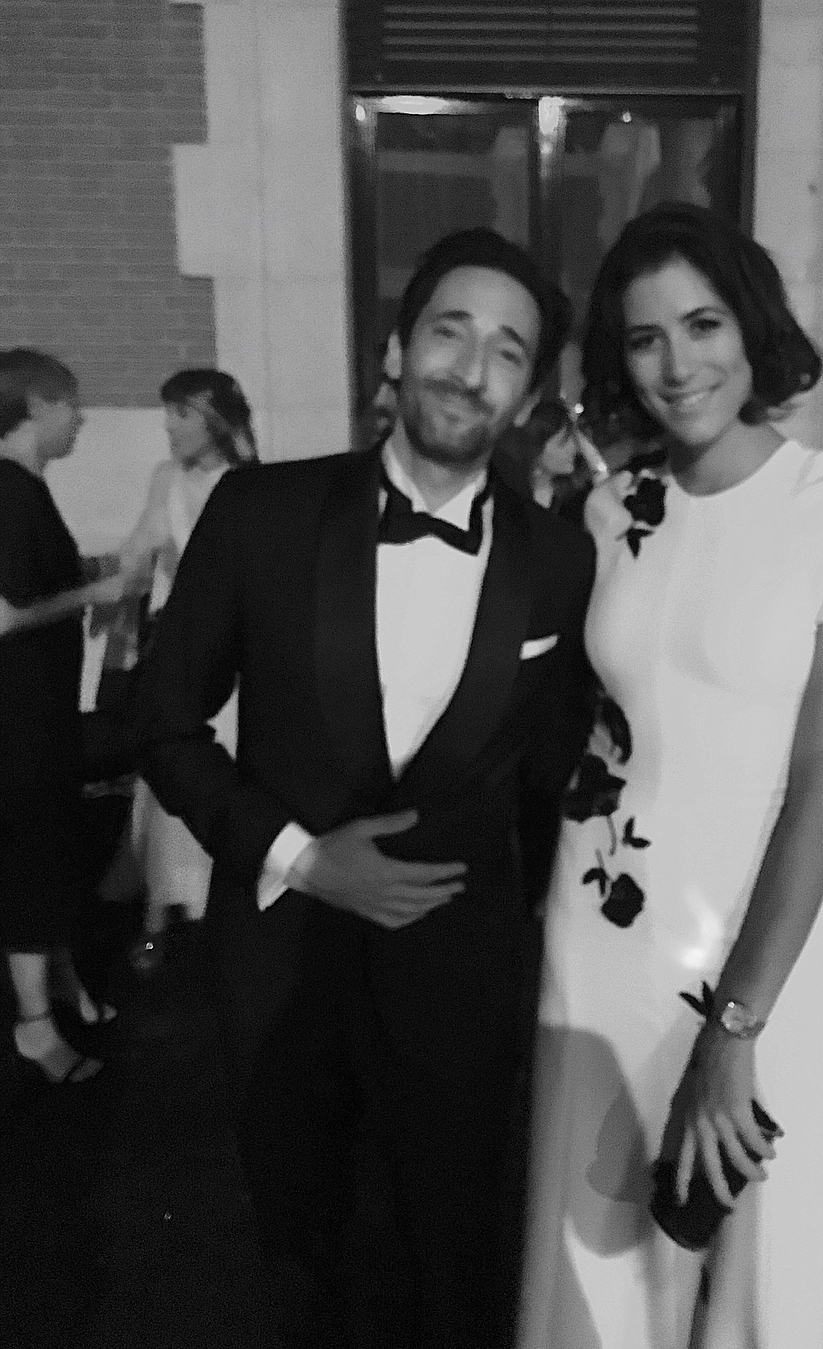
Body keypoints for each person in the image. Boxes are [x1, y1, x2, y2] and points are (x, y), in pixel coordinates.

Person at [132, 228, 596, 1349]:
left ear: (530, 391)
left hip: (462, 970)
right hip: (283, 959)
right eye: (449, 331)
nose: (470, 369)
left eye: (507, 351)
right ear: (395, 350)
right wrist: (298, 855)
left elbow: (548, 769)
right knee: (304, 1250)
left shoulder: (559, 559)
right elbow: (161, 717)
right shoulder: (261, 511)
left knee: (456, 1251)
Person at [516, 203, 823, 1349]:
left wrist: (735, 1026)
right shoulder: (612, 509)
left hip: (757, 956)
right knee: (593, 1262)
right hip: (596, 935)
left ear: (753, 327)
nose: (676, 363)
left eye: (702, 324)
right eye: (644, 338)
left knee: (767, 1276)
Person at [0, 349, 131, 1084]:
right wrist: (97, 593)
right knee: (33, 860)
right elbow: (5, 613)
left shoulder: (24, 488)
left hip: (36, 711)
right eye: (71, 404)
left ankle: (59, 985)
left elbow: (29, 581)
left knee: (46, 852)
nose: (81, 418)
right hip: (21, 718)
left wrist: (92, 570)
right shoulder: (11, 490)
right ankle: (34, 1028)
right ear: (36, 407)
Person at [112, 368, 257, 974]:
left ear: (215, 419)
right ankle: (157, 917)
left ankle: (231, 914)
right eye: (167, 413)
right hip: (180, 648)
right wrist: (120, 595)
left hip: (240, 657)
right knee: (169, 782)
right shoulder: (164, 477)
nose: (169, 427)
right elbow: (140, 550)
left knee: (233, 776)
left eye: (181, 414)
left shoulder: (251, 484)